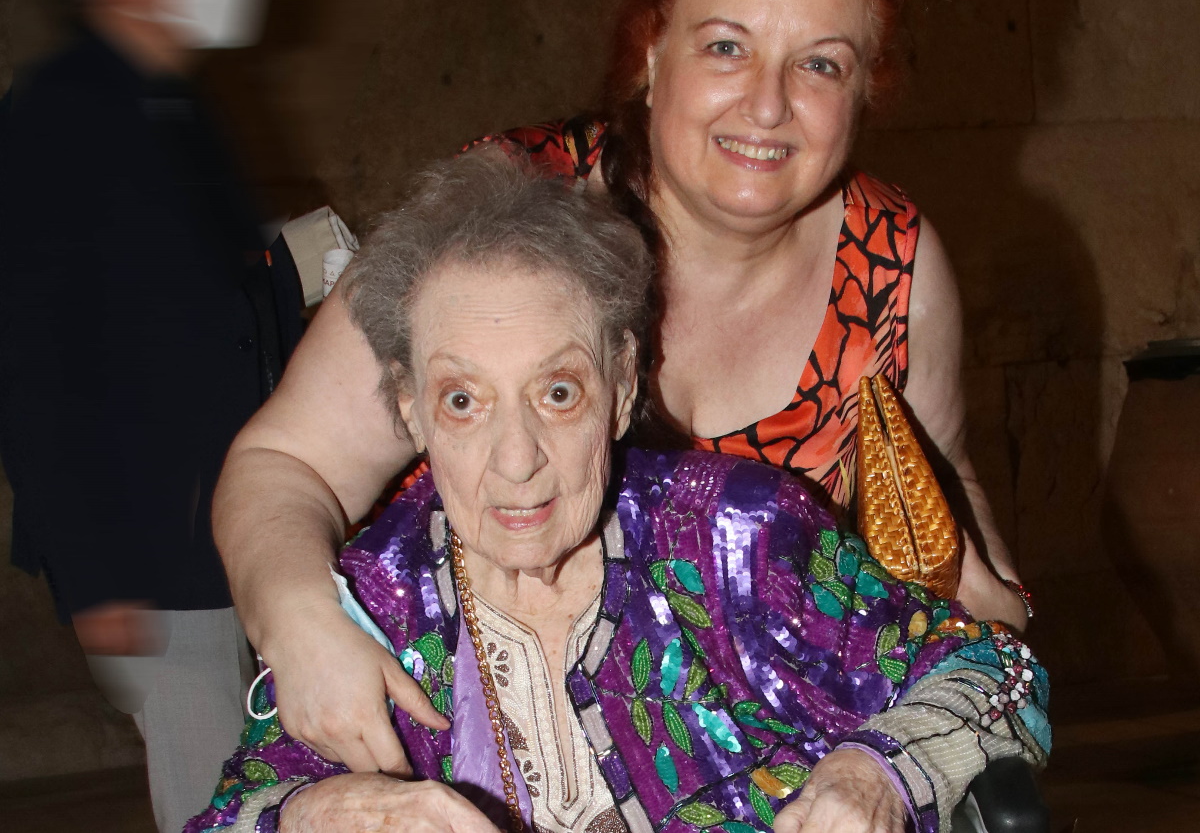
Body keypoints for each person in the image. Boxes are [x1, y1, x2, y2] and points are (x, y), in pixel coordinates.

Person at [211, 0, 1031, 779]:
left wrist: (984, 629)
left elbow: (937, 497)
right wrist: (302, 623)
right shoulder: (500, 216)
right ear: (652, 50)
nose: (767, 106)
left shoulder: (893, 265)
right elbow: (284, 463)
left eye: (820, 65)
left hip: (766, 779)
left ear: (866, 89)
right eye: (726, 48)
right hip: (489, 751)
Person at [186, 154, 1048, 833]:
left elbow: (993, 668)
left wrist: (874, 773)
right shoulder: (380, 600)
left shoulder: (735, 539)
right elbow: (230, 810)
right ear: (410, 408)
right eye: (463, 401)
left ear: (623, 386)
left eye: (559, 392)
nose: (516, 461)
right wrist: (317, 813)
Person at [0, 0, 299, 830]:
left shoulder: (180, 108)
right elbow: (32, 362)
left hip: (233, 519)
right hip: (149, 550)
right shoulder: (56, 113)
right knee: (212, 794)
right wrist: (98, 577)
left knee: (272, 776)